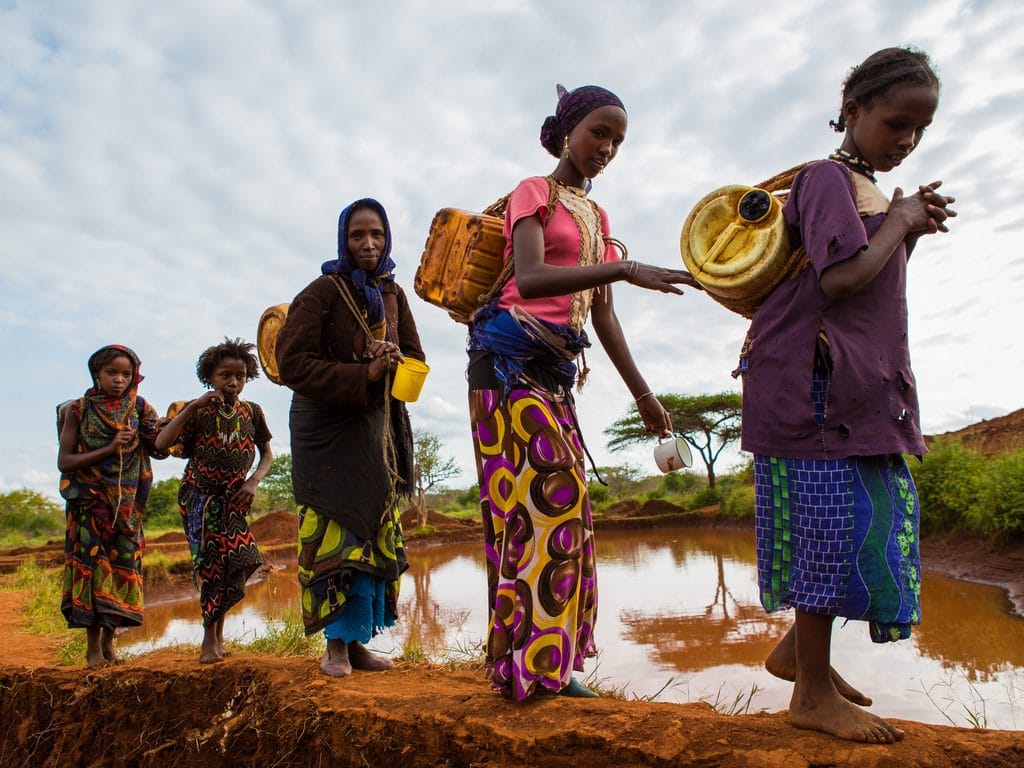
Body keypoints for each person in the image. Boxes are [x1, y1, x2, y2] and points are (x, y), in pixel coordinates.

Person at [736, 47, 956, 743]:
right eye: (896, 123)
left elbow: (873, 275)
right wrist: (900, 220)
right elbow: (836, 282)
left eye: (919, 130)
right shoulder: (825, 177)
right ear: (853, 110)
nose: (907, 140)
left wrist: (907, 225)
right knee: (829, 525)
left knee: (861, 516)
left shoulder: (868, 191)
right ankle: (809, 695)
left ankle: (804, 658)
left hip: (856, 386)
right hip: (812, 386)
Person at [467, 84, 699, 701]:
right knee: (548, 499)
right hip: (505, 364)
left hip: (556, 374)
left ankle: (551, 663)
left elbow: (604, 319)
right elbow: (533, 275)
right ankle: (526, 663)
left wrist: (645, 398)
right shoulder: (533, 192)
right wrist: (625, 266)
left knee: (572, 515)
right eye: (600, 132)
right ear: (569, 129)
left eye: (618, 140)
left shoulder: (598, 219)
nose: (607, 147)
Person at [276, 198, 425, 677]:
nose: (368, 243)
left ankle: (357, 643)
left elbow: (415, 354)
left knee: (372, 530)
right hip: (326, 432)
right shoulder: (322, 292)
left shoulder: (394, 293)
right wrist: (362, 371)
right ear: (343, 239)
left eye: (376, 235)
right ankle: (334, 648)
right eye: (358, 235)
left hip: (374, 428)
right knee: (335, 533)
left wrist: (393, 359)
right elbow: (293, 364)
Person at [154, 338, 273, 663]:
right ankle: (210, 641)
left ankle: (217, 636)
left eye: (240, 376)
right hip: (200, 500)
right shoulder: (199, 410)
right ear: (210, 376)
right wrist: (192, 407)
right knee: (210, 568)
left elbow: (267, 455)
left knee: (242, 560)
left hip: (234, 502)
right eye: (225, 375)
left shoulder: (252, 412)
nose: (233, 382)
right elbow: (163, 441)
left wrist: (253, 482)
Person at [57, 344, 168, 667]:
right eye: (111, 373)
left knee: (121, 573)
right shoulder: (77, 411)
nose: (119, 380)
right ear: (96, 374)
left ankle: (109, 645)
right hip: (90, 506)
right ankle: (92, 650)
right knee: (92, 573)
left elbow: (158, 447)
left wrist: (181, 417)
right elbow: (65, 461)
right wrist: (108, 448)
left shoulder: (140, 409)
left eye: (126, 374)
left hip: (127, 510)